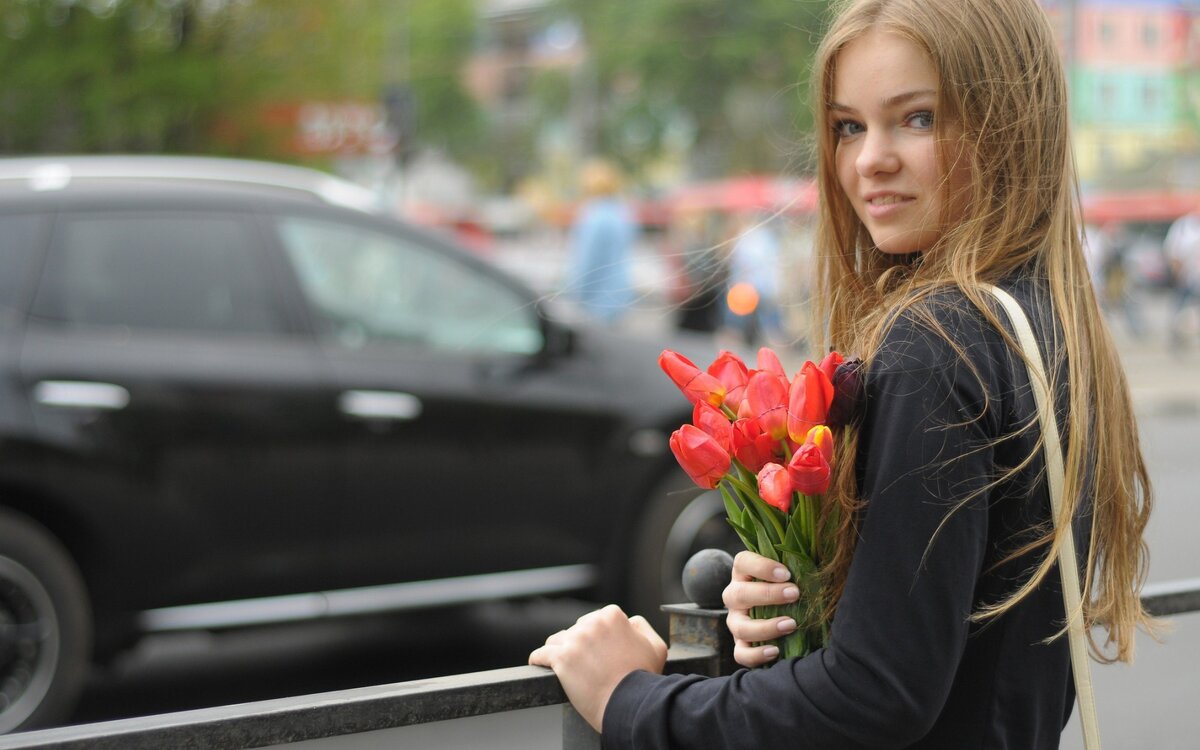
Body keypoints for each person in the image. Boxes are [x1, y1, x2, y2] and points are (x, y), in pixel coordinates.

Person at [529, 1, 1156, 748]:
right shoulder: (1043, 325)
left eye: (917, 118)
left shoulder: (937, 344)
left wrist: (628, 700)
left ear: (1007, 124)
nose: (869, 161)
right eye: (848, 126)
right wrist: (810, 594)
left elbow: (874, 696)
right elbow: (956, 642)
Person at [562, 158, 638, 323]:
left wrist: (576, 294)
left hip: (596, 298)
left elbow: (588, 262)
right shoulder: (623, 213)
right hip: (619, 293)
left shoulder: (593, 216)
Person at [1163, 205, 1200, 349]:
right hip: (1186, 276)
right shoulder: (1183, 226)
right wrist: (1177, 273)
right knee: (1180, 308)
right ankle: (1176, 337)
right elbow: (1172, 251)